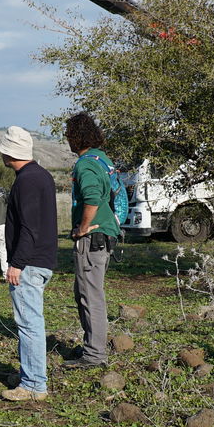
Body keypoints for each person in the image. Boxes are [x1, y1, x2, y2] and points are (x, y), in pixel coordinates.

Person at [0, 127, 57, 401]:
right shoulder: (42, 175)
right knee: (32, 321)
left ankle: (33, 385)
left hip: (29, 262)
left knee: (29, 323)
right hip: (42, 259)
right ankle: (30, 375)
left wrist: (17, 263)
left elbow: (29, 227)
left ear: (9, 152)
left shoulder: (26, 181)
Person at [64, 112, 120, 369]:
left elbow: (92, 197)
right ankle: (93, 346)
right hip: (106, 234)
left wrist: (81, 228)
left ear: (76, 136)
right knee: (88, 292)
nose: (66, 138)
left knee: (90, 295)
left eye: (68, 134)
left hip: (92, 237)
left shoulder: (85, 164)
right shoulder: (103, 159)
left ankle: (94, 355)